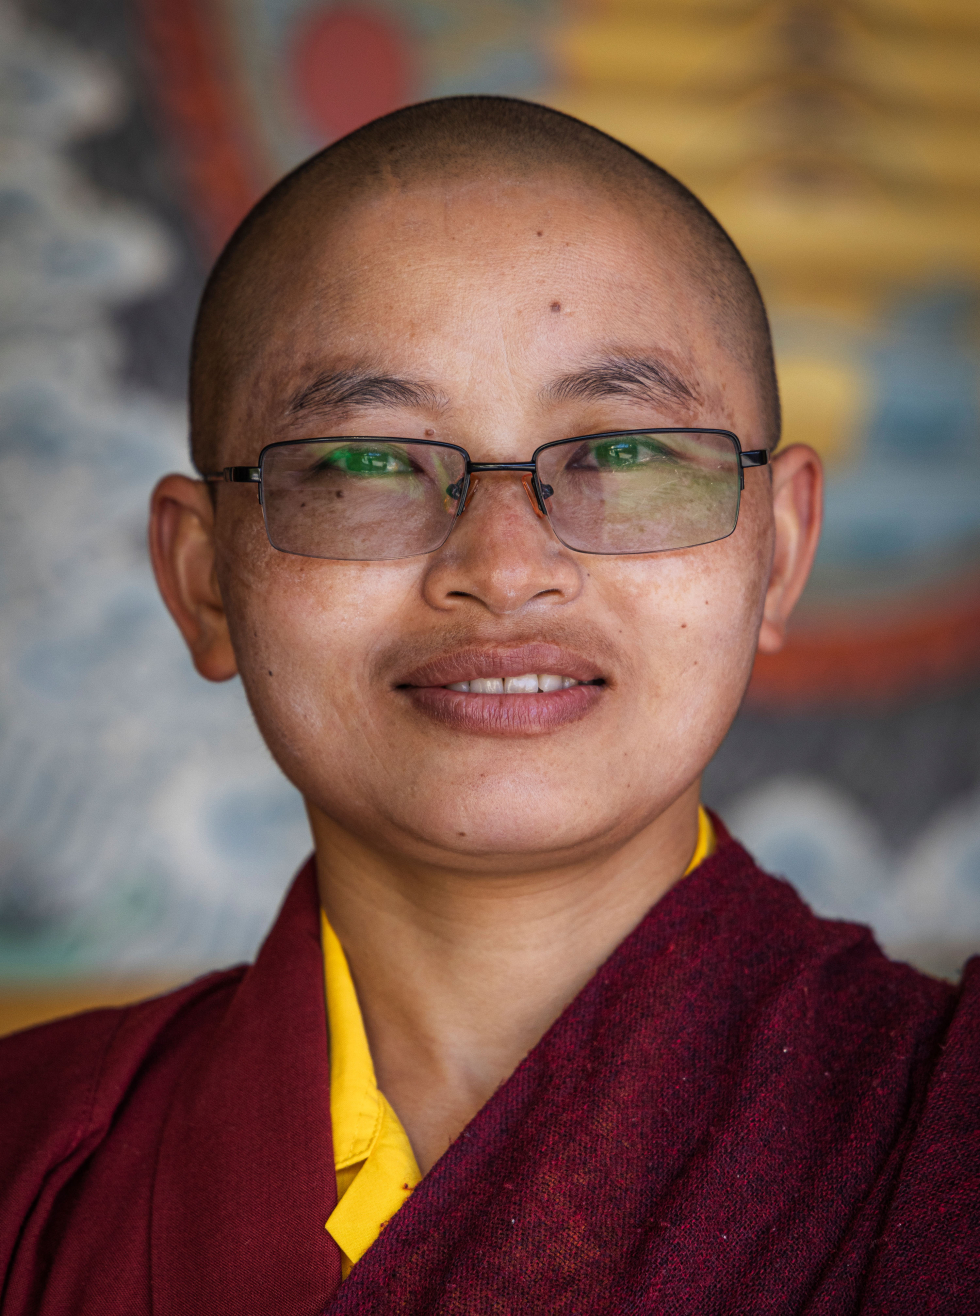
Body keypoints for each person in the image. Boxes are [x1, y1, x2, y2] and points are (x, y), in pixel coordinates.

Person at [0, 97, 976, 1316]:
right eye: (366, 462)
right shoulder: (29, 1167)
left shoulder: (944, 1135)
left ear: (776, 549)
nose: (505, 567)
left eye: (622, 454)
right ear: (203, 580)